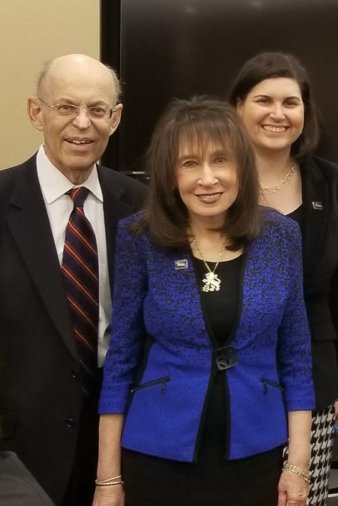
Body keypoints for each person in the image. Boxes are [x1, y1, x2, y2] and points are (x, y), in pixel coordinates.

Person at [93, 98, 315, 506]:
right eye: (189, 163)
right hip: (157, 454)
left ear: (241, 168)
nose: (207, 178)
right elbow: (121, 358)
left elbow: (296, 357)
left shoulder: (281, 236)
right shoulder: (139, 238)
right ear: (169, 173)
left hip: (256, 453)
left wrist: (297, 464)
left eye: (220, 160)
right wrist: (107, 479)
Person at [0, 54, 147, 505]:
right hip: (18, 450)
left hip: (122, 441)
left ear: (115, 118)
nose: (82, 124)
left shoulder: (143, 206)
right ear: (35, 112)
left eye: (97, 110)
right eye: (65, 107)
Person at [229, 52, 338, 505]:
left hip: (315, 379)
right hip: (232, 375)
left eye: (291, 102)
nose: (278, 114)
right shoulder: (213, 182)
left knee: (302, 497)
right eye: (263, 100)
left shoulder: (333, 183)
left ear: (305, 113)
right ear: (237, 108)